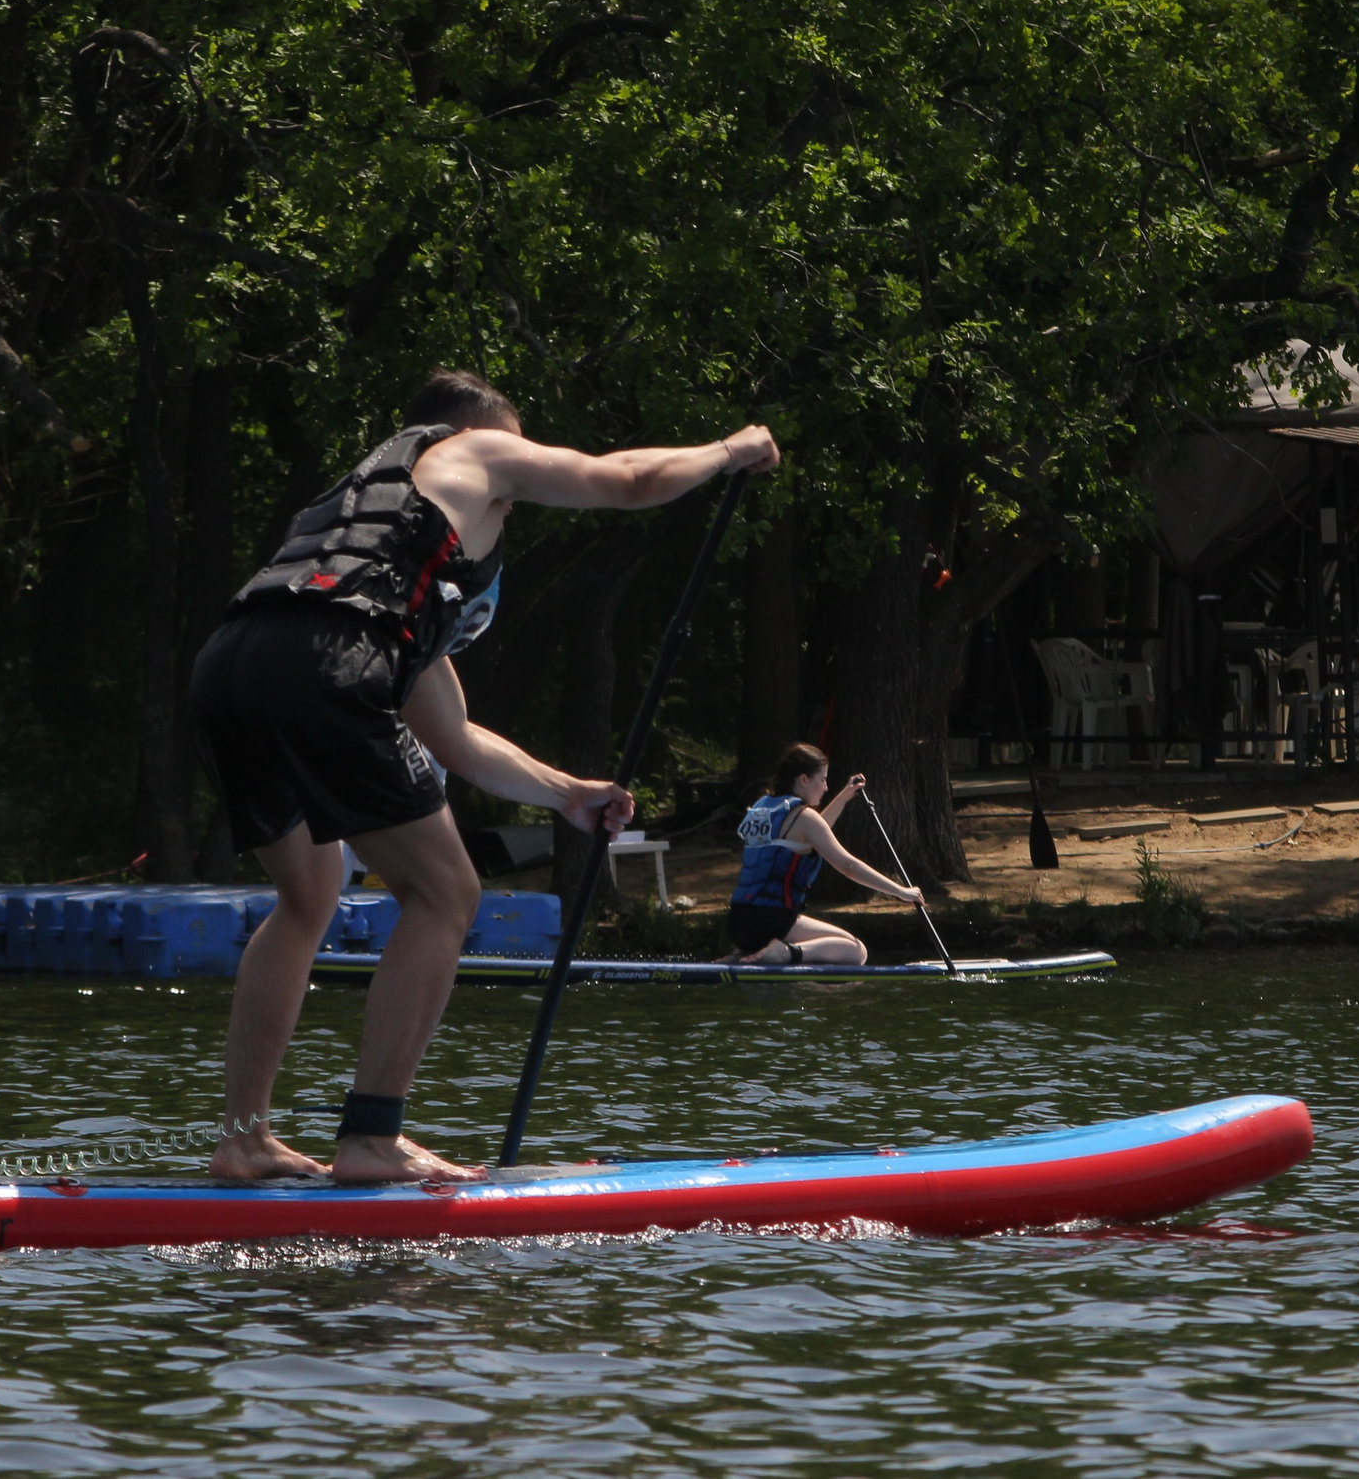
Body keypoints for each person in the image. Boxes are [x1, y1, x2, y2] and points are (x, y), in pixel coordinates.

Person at [191, 368, 778, 1183]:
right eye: (512, 487)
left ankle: (243, 1138)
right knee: (445, 893)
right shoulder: (477, 447)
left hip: (233, 663)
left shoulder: (376, 526)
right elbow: (629, 480)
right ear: (482, 431)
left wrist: (568, 793)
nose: (509, 503)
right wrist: (728, 449)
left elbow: (457, 739)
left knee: (309, 893)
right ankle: (370, 1138)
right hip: (323, 667)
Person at [726, 743, 923, 966]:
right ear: (803, 780)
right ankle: (785, 953)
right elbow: (847, 865)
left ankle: (740, 956)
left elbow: (814, 833)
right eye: (822, 779)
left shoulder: (762, 809)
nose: (826, 787)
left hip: (738, 922)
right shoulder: (804, 817)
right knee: (856, 951)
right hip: (773, 921)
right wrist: (900, 891)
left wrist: (845, 795)